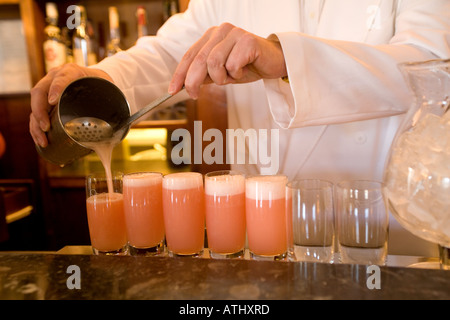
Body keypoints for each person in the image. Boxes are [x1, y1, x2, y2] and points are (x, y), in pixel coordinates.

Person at [30, 0, 450, 257]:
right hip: (259, 237)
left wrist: (287, 58)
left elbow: (433, 67)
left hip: (381, 238)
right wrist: (95, 79)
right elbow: (167, 55)